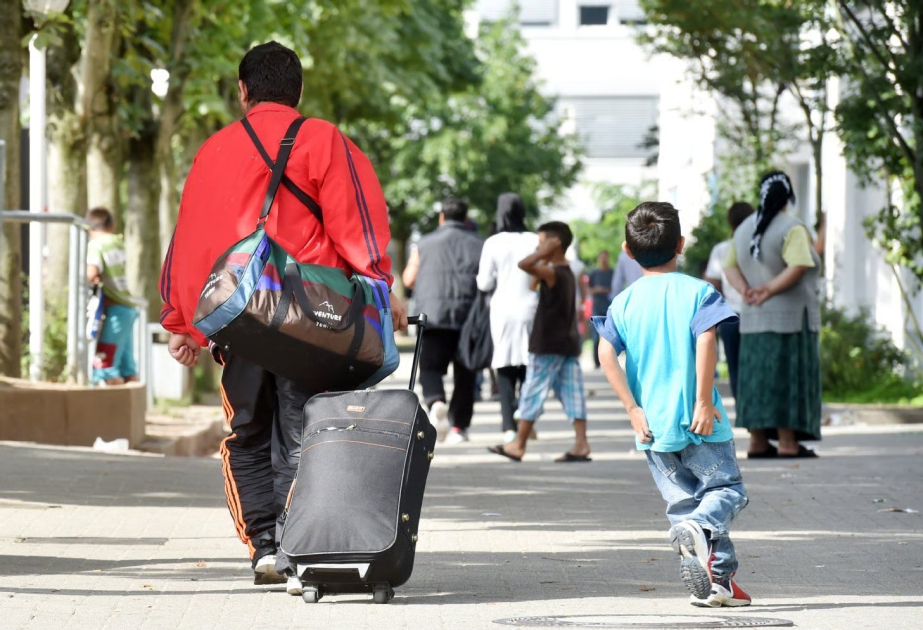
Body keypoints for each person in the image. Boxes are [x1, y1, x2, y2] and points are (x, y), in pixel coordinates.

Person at [158, 42, 407, 591]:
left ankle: (265, 548)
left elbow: (188, 236)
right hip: (308, 318)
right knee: (306, 429)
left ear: (242, 91)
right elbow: (357, 221)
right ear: (299, 92)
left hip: (239, 320)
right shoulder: (323, 139)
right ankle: (302, 548)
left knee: (246, 431)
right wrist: (380, 284)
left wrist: (181, 322)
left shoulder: (212, 150)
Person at [593, 202, 750, 608]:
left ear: (628, 251)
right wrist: (701, 400)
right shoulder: (698, 292)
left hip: (653, 429)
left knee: (684, 503)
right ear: (680, 244)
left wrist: (632, 408)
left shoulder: (624, 302)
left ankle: (719, 583)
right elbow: (707, 340)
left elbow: (605, 355)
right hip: (700, 422)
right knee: (725, 491)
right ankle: (699, 530)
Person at [723, 171, 822, 459]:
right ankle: (788, 442)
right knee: (786, 376)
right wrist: (768, 289)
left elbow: (729, 267)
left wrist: (747, 291)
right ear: (788, 195)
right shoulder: (792, 227)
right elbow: (799, 265)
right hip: (791, 319)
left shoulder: (743, 230)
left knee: (756, 380)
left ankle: (758, 442)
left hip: (753, 319)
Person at [488, 221, 591, 463]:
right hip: (567, 343)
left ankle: (519, 444)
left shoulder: (554, 272)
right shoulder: (565, 271)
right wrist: (546, 254)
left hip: (546, 344)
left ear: (555, 244)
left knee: (533, 391)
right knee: (573, 392)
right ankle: (581, 443)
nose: (537, 246)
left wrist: (541, 254)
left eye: (541, 241)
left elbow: (523, 265)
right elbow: (532, 284)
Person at [403, 198, 484, 445]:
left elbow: (408, 279)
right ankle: (459, 427)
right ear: (465, 218)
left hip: (434, 315)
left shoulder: (424, 244)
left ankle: (436, 400)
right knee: (466, 373)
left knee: (429, 368)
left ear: (441, 217)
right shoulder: (480, 244)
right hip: (469, 317)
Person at [476, 193, 540, 443]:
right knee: (528, 363)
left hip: (502, 308)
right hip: (531, 307)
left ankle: (507, 426)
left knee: (504, 363)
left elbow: (484, 283)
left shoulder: (493, 243)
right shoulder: (535, 240)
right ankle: (525, 418)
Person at [704, 202, 755, 399]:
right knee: (756, 366)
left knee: (734, 367)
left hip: (731, 316)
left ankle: (743, 411)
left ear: (730, 223)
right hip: (758, 315)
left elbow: (712, 284)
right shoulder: (759, 247)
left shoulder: (721, 249)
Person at [86, 207, 138, 385]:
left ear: (90, 228)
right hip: (128, 307)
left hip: (116, 309)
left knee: (104, 366)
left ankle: (107, 410)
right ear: (112, 225)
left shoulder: (96, 244)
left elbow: (92, 273)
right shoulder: (118, 243)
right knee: (127, 368)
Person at [587, 250, 614, 368]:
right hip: (596, 306)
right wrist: (596, 290)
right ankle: (596, 362)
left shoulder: (612, 273)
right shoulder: (594, 273)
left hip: (609, 306)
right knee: (595, 336)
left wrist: (605, 290)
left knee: (609, 335)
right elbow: (588, 289)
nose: (603, 259)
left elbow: (615, 288)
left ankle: (609, 361)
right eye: (601, 257)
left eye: (605, 257)